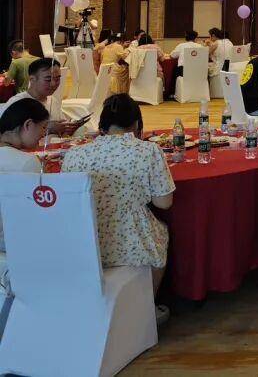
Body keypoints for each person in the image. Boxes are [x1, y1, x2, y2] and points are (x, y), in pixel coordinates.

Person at [61, 94, 175, 324]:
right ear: (137, 123)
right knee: (160, 232)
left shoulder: (74, 154)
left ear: (102, 125)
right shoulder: (148, 151)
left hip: (86, 241)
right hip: (133, 243)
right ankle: (146, 309)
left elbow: (68, 203)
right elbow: (164, 202)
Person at [0, 98, 48, 256]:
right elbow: (38, 214)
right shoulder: (27, 162)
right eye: (43, 127)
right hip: (12, 245)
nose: (43, 134)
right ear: (28, 125)